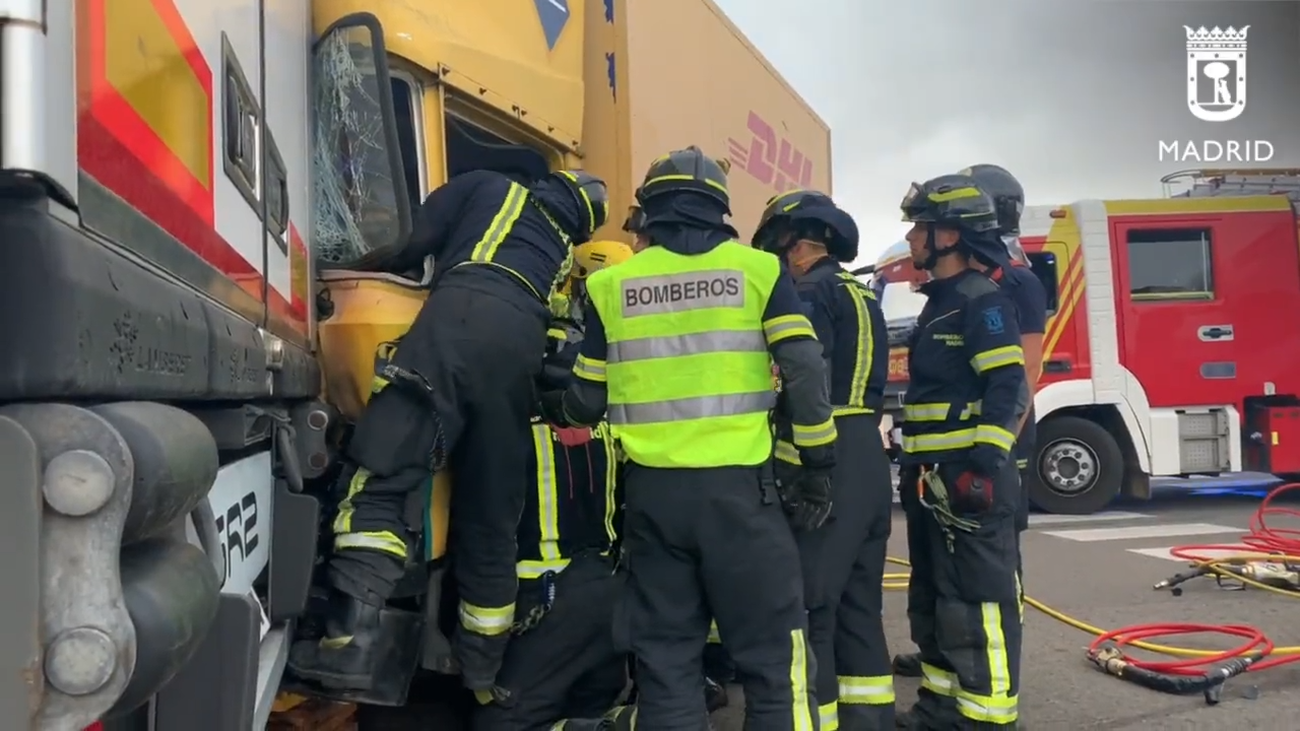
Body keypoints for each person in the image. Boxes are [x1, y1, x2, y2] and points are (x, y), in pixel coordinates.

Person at [538, 146, 834, 730]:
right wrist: (818, 462)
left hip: (653, 503)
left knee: (667, 664)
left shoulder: (611, 285)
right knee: (774, 663)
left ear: (650, 211)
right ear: (718, 210)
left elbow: (584, 403)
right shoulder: (759, 271)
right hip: (742, 500)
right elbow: (803, 368)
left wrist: (549, 394)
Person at [289, 168, 609, 699]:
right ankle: (481, 671)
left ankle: (350, 642)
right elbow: (555, 351)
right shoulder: (557, 261)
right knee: (491, 519)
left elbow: (405, 240)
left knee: (384, 475)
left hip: (456, 320)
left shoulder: (491, 186)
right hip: (517, 360)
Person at [892, 164, 1046, 681]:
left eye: (920, 227)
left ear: (950, 235)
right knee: (938, 594)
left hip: (966, 478)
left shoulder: (983, 301)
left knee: (978, 599)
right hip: (933, 476)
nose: (912, 237)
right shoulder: (942, 302)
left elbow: (1010, 384)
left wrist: (984, 462)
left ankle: (985, 713)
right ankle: (943, 702)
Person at [473, 240, 634, 731]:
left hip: (546, 596)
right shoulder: (619, 398)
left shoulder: (517, 393)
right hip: (608, 587)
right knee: (587, 704)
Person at [754, 190, 896, 730]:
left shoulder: (806, 292)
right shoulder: (860, 293)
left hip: (827, 454)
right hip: (868, 454)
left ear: (791, 239)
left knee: (812, 609)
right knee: (859, 607)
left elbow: (801, 377)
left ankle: (816, 721)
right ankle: (870, 719)